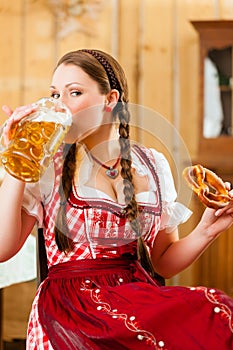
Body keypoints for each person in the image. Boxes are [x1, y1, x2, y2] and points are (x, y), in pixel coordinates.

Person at [0, 49, 233, 350]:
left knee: (217, 311)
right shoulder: (48, 166)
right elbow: (3, 249)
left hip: (135, 302)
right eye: (55, 95)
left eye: (74, 93)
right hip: (69, 313)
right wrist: (18, 158)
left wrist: (207, 229)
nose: (61, 106)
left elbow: (162, 262)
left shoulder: (152, 164)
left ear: (110, 99)